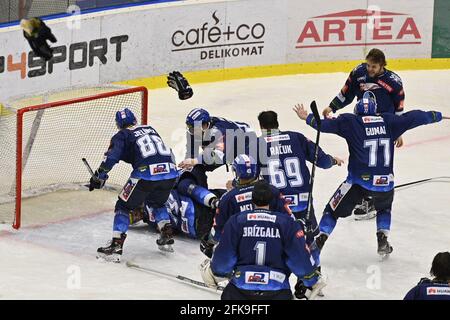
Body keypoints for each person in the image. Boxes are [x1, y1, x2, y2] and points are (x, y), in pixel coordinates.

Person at [293, 92, 448, 258]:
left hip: (358, 182)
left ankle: (321, 238)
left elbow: (323, 125)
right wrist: (438, 116)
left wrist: (307, 117)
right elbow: (417, 116)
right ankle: (382, 238)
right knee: (384, 208)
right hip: (385, 182)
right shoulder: (389, 120)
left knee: (331, 211)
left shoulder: (350, 122)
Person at [200, 180, 325, 300]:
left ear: (252, 199)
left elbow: (223, 261)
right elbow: (299, 260)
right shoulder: (287, 223)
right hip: (277, 291)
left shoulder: (236, 221)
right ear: (272, 199)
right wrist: (310, 279)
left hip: (239, 291)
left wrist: (214, 271)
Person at [323, 48, 406, 219]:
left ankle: (374, 200)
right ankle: (363, 195)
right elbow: (346, 93)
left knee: (379, 163)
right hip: (361, 124)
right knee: (360, 160)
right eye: (368, 65)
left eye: (374, 66)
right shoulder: (358, 72)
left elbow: (399, 107)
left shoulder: (394, 82)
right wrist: (332, 106)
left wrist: (398, 130)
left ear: (382, 65)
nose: (370, 69)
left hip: (383, 127)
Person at [92, 108, 178, 262]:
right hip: (171, 172)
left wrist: (99, 175)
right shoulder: (149, 129)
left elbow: (111, 158)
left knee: (123, 206)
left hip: (145, 174)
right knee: (157, 202)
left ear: (118, 125)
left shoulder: (122, 135)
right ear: (135, 121)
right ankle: (166, 232)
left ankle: (116, 245)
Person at [200, 154, 291, 258]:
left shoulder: (228, 198)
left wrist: (208, 242)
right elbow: (289, 219)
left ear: (237, 173)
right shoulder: (273, 191)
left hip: (241, 255)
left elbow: (217, 233)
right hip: (273, 252)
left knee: (211, 266)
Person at [139, 166, 226, 251]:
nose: (135, 216)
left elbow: (171, 230)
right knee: (188, 180)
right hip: (205, 212)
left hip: (200, 229)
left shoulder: (152, 220)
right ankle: (213, 200)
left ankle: (213, 200)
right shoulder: (151, 216)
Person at [178, 108, 256, 173]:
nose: (192, 131)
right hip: (226, 146)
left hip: (246, 142)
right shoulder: (195, 131)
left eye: (194, 128)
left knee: (244, 168)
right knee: (196, 166)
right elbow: (191, 154)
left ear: (205, 125)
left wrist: (194, 161)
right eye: (190, 128)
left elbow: (219, 157)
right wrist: (187, 164)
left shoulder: (220, 132)